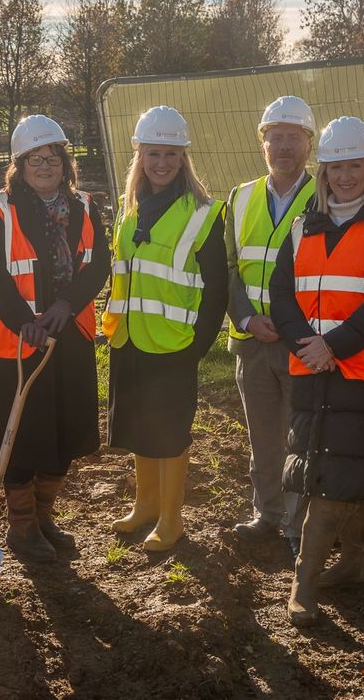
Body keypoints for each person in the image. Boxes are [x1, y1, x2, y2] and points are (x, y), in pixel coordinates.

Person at [270, 116, 364, 626]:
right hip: (314, 373)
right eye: (337, 167)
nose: (346, 176)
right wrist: (306, 346)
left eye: (356, 165)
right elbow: (281, 296)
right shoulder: (299, 228)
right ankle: (355, 565)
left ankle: (303, 585)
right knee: (334, 470)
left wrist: (331, 346)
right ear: (325, 171)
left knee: (331, 479)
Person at [0, 115, 111, 562]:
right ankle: (22, 527)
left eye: (52, 156)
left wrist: (66, 304)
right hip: (16, 342)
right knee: (21, 434)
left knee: (64, 431)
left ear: (65, 162)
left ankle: (44, 516)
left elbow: (98, 265)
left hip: (68, 336)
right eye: (35, 159)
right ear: (19, 165)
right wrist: (21, 320)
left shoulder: (86, 205)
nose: (45, 165)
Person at [104, 105, 228, 552]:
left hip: (175, 344)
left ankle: (172, 521)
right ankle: (146, 505)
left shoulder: (204, 213)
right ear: (140, 155)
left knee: (171, 431)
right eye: (153, 153)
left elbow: (216, 291)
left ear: (183, 158)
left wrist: (196, 346)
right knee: (140, 425)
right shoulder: (129, 208)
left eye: (170, 155)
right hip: (130, 336)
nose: (161, 163)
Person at [226, 97, 318, 556]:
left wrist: (286, 325)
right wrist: (244, 317)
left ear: (309, 143)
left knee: (300, 436)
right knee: (262, 434)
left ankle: (297, 521)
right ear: (262, 143)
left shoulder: (324, 197)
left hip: (299, 341)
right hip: (252, 341)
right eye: (275, 137)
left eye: (293, 137)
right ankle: (267, 511)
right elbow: (228, 267)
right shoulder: (240, 197)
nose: (283, 146)